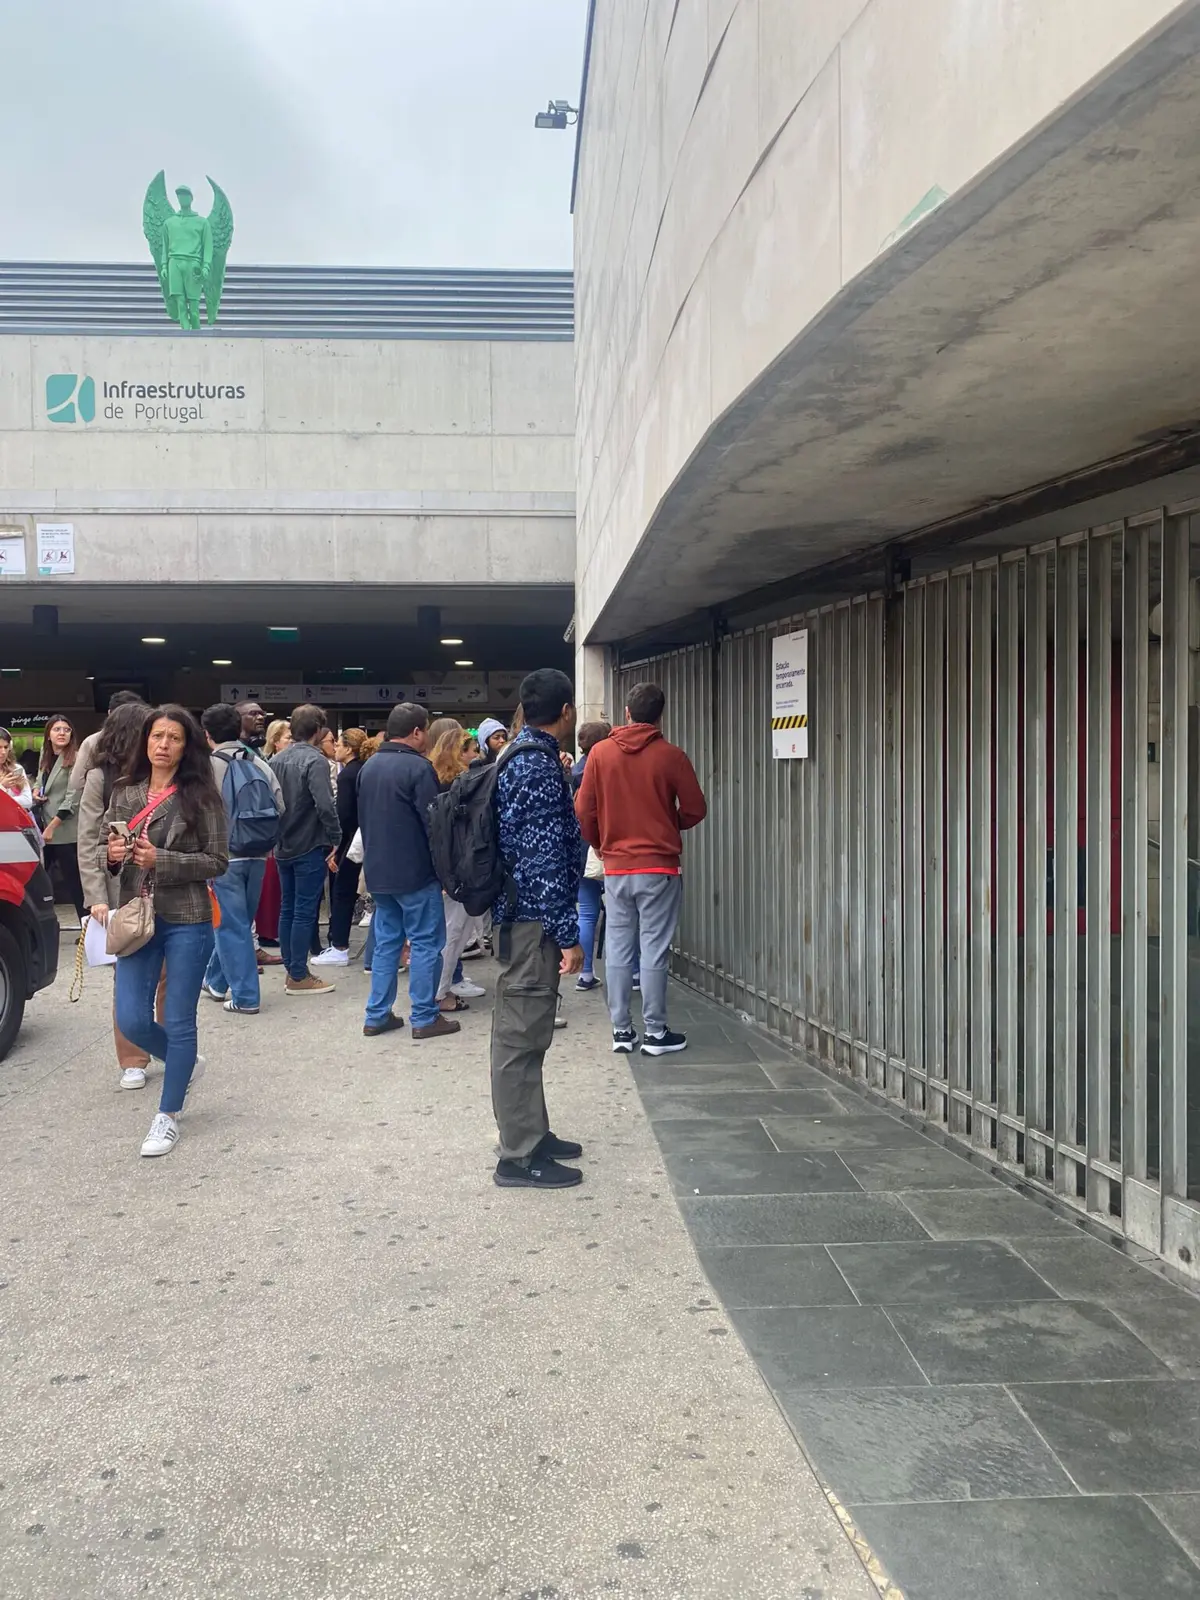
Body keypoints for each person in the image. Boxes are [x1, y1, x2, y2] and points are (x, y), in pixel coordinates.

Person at [102, 705, 229, 1157]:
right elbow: (105, 853)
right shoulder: (124, 793)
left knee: (179, 1018)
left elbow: (217, 862)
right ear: (145, 741)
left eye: (174, 738)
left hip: (187, 918)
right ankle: (184, 1061)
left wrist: (163, 860)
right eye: (157, 736)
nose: (164, 745)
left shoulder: (202, 796)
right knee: (133, 1018)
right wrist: (114, 855)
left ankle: (168, 1114)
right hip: (137, 917)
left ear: (186, 745)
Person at [490, 668, 585, 1190]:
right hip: (532, 920)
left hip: (525, 915)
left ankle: (532, 1132)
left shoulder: (525, 756)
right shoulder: (537, 767)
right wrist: (568, 934)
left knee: (529, 1031)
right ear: (566, 712)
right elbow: (543, 858)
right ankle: (518, 1155)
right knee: (519, 1036)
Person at [576, 682, 707, 1056]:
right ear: (659, 715)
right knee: (654, 949)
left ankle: (621, 1030)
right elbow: (696, 808)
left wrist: (601, 842)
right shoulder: (672, 756)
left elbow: (584, 810)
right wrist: (667, 822)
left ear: (627, 713)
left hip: (617, 868)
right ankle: (655, 1032)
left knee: (617, 947)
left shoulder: (599, 754)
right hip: (660, 868)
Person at [356, 702, 456, 1041]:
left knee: (387, 944)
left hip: (380, 871)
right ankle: (425, 1016)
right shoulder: (418, 768)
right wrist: (445, 869)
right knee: (427, 942)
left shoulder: (369, 767)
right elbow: (434, 825)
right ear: (416, 732)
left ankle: (377, 1014)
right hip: (415, 871)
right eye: (425, 730)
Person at [77, 700, 163, 1088]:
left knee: (168, 976)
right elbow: (88, 839)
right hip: (119, 889)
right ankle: (132, 1059)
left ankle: (172, 1048)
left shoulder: (165, 772)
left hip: (166, 884)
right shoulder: (101, 776)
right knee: (129, 976)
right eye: (151, 732)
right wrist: (96, 895)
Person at [200, 702, 285, 1015]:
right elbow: (280, 804)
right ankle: (217, 981)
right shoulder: (258, 761)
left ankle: (246, 996)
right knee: (238, 923)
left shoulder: (207, 767)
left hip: (224, 857)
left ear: (206, 733)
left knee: (230, 927)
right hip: (259, 855)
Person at [269, 705, 342, 996]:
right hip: (309, 841)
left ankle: (292, 967)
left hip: (282, 842)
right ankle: (298, 974)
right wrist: (336, 836)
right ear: (318, 730)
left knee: (288, 907)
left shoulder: (276, 759)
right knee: (303, 911)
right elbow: (325, 804)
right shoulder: (316, 761)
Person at [428, 728, 487, 1011]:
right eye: (472, 750)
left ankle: (441, 987)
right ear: (459, 752)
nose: (477, 754)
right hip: (458, 869)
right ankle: (439, 993)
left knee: (448, 934)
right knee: (454, 934)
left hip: (444, 869)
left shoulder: (434, 780)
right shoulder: (459, 785)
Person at [312, 728, 368, 967]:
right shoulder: (363, 770)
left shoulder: (347, 776)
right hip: (362, 836)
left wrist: (336, 844)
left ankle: (339, 945)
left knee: (342, 891)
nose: (335, 748)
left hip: (349, 839)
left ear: (349, 748)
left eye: (339, 744)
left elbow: (344, 814)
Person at [571, 720, 612, 991]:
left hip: (582, 851)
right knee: (622, 914)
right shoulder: (608, 767)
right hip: (606, 848)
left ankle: (585, 974)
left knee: (586, 913)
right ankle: (632, 972)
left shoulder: (574, 771)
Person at [35, 713, 85, 923]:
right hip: (45, 824)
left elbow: (73, 798)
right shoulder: (45, 754)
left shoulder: (77, 756)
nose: (62, 733)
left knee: (75, 883)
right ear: (48, 734)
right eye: (57, 729)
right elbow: (40, 779)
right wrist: (37, 791)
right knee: (38, 879)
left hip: (65, 829)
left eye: (66, 729)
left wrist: (52, 826)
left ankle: (87, 928)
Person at [71, 690, 146, 794]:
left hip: (99, 804)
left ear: (110, 713)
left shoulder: (93, 741)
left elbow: (76, 783)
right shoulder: (148, 739)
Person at [0, 727, 33, 808]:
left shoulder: (16, 769)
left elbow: (28, 801)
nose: (3, 752)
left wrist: (5, 800)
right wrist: (2, 787)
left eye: (6, 747)